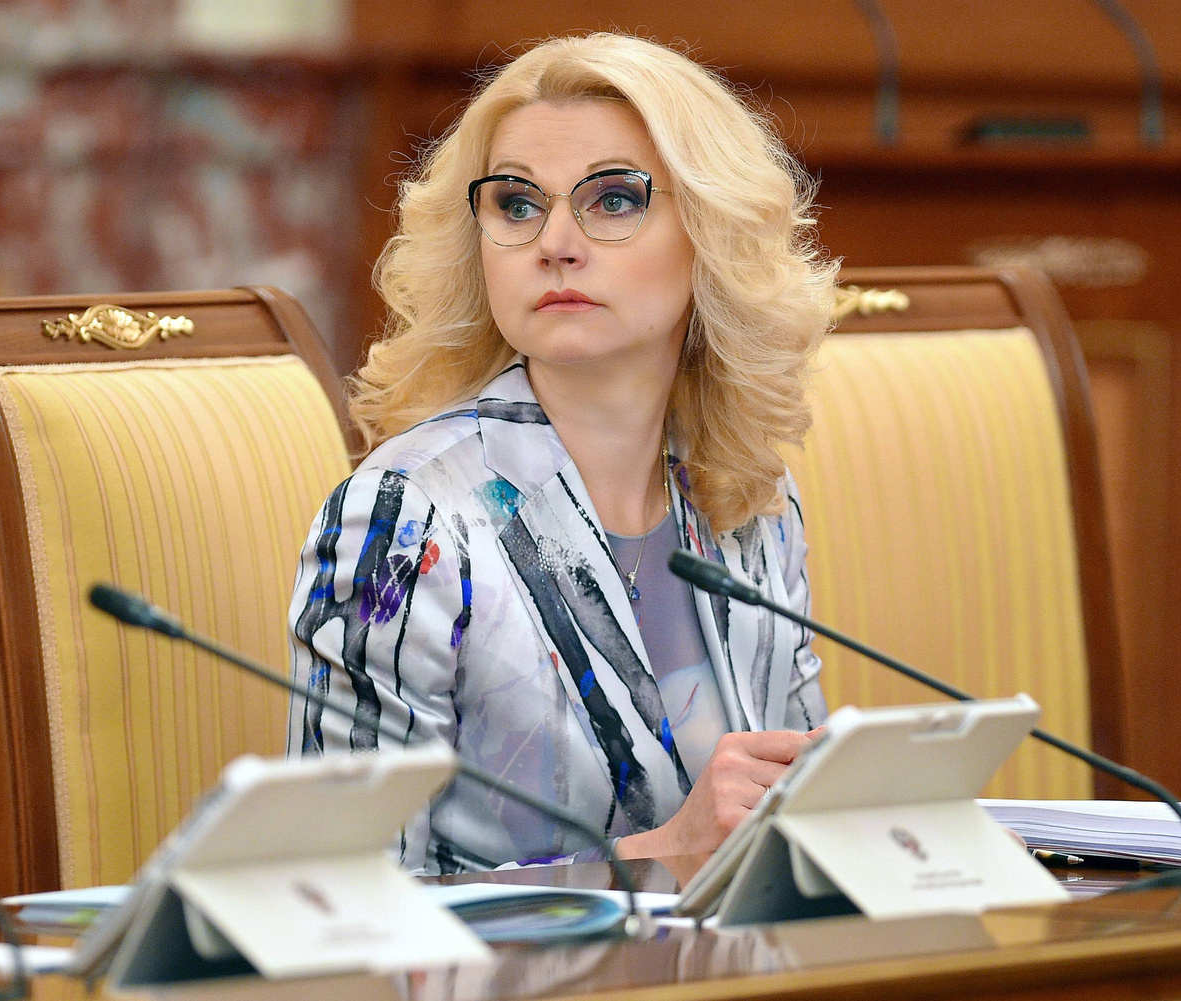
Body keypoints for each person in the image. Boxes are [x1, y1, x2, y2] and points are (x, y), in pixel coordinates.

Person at [287, 32, 836, 874]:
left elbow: (783, 821)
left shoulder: (747, 493)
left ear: (712, 234)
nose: (555, 242)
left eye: (612, 199)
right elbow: (340, 897)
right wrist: (650, 860)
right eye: (517, 204)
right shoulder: (408, 517)